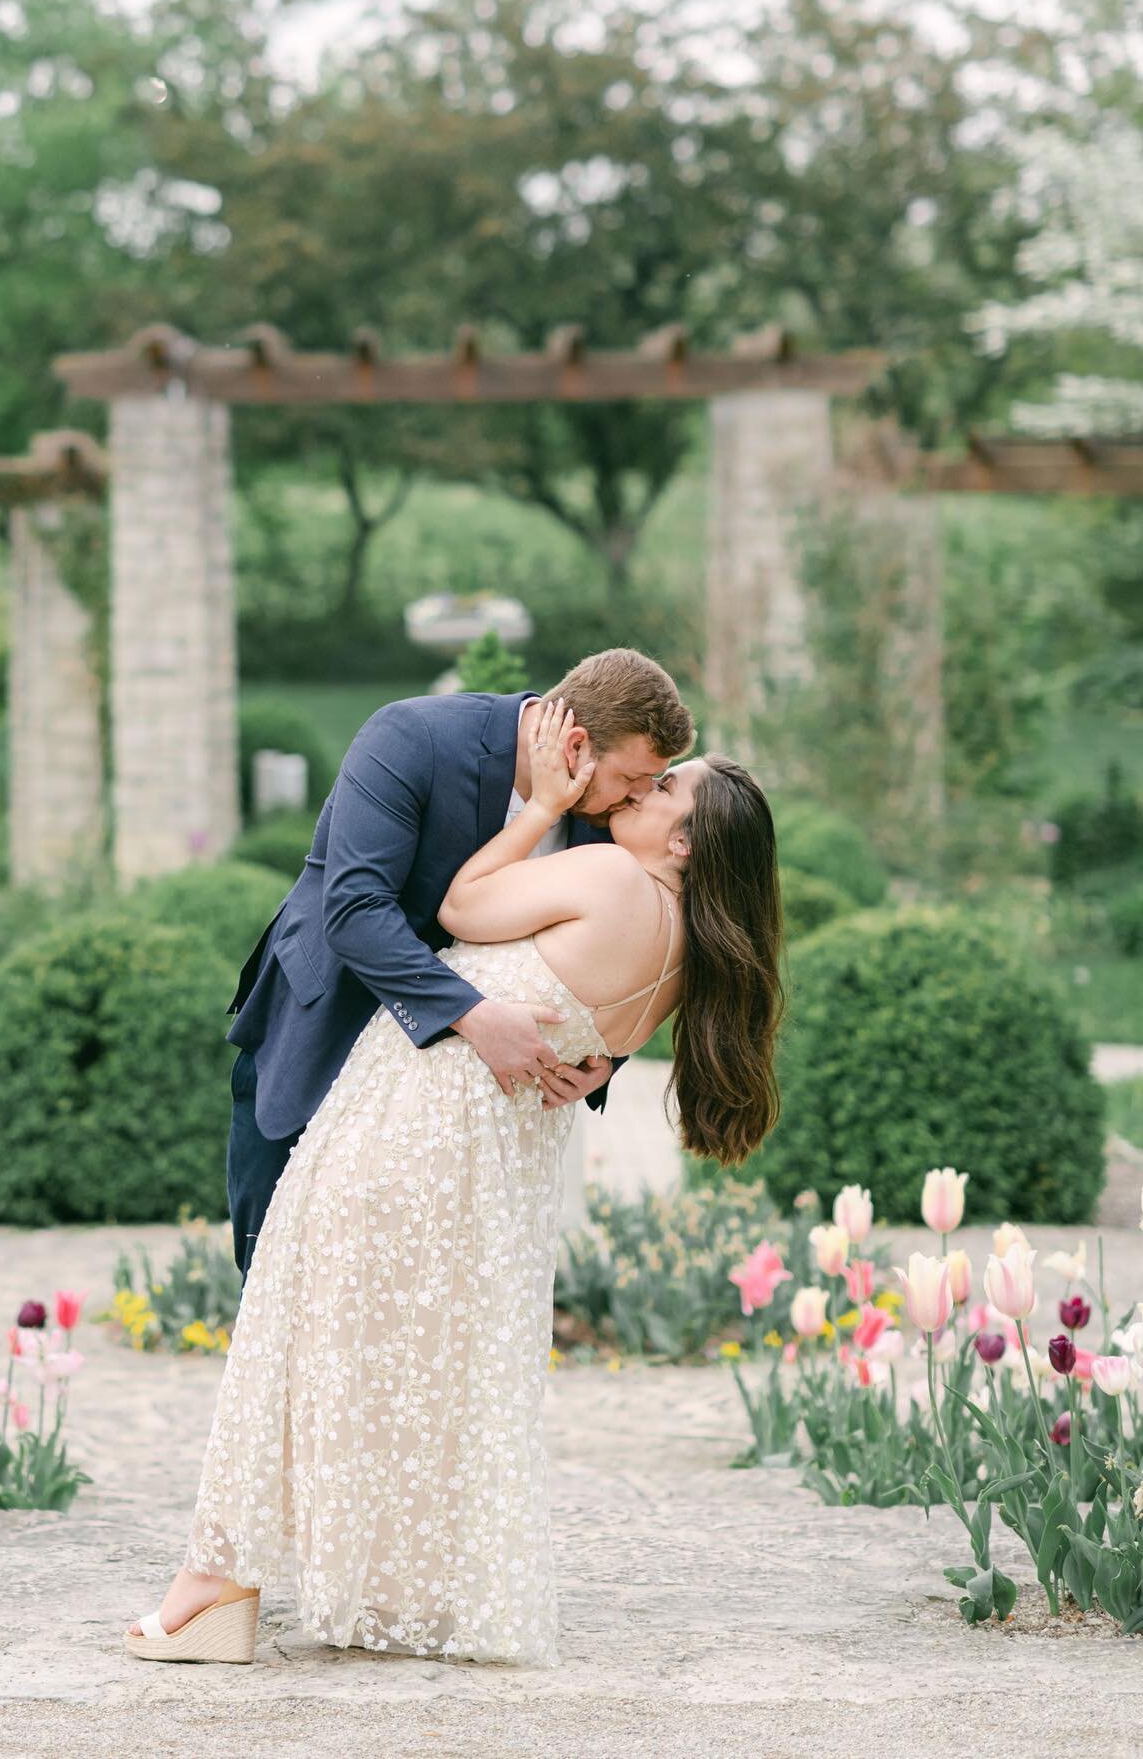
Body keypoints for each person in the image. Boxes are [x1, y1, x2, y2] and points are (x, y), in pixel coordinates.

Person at [124, 692, 784, 1668]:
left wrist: (526, 820)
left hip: (413, 1123)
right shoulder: (691, 958)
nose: (637, 793)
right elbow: (582, 1021)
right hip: (489, 1161)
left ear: (684, 842)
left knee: (298, 1333)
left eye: (661, 788)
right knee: (415, 1361)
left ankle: (211, 1591)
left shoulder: (605, 871)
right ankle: (386, 1584)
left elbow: (461, 909)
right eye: (643, 774)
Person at [222, 647, 696, 1286]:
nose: (636, 801)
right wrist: (473, 1016)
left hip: (450, 1122)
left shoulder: (605, 821)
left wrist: (602, 1061)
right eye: (632, 782)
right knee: (281, 1293)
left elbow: (631, 943)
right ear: (576, 745)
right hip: (321, 1033)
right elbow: (357, 909)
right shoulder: (413, 737)